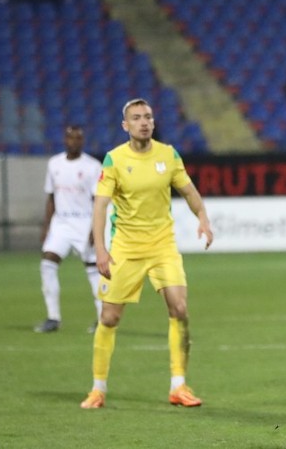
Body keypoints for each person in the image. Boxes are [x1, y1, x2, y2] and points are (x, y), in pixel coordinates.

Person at [80, 98, 214, 409]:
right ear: (125, 125)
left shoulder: (168, 155)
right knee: (109, 317)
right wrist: (100, 249)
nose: (144, 122)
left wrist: (203, 217)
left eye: (148, 117)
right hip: (125, 248)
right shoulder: (114, 159)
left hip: (163, 245)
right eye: (137, 118)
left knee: (179, 309)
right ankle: (98, 389)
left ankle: (178, 386)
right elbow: (100, 205)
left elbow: (189, 191)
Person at [35, 126, 103, 334]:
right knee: (48, 262)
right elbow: (51, 197)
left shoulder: (92, 166)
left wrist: (96, 230)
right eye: (70, 137)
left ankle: (103, 320)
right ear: (64, 140)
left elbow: (98, 200)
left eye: (78, 138)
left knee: (94, 270)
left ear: (83, 141)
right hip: (61, 224)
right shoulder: (54, 163)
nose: (74, 141)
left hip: (85, 223)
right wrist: (46, 227)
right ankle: (53, 318)